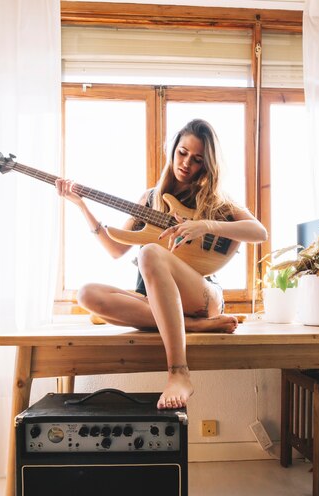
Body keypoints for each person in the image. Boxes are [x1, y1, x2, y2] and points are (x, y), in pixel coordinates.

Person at [56, 119, 267, 410]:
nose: (186, 163)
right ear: (173, 150)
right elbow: (116, 250)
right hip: (157, 301)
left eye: (197, 159)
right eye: (182, 153)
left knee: (149, 254)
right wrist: (82, 206)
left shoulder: (216, 200)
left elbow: (259, 232)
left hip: (203, 295)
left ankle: (179, 372)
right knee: (86, 294)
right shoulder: (151, 198)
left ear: (207, 164)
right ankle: (192, 326)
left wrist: (203, 225)